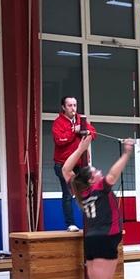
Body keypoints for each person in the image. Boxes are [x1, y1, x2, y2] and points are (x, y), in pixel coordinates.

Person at [63, 133, 134, 279]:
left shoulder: (80, 191)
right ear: (93, 179)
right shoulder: (100, 187)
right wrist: (127, 153)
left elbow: (66, 170)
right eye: (96, 172)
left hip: (91, 239)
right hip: (107, 238)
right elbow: (113, 175)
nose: (99, 172)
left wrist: (81, 148)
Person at [52, 96, 96, 232]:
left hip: (80, 165)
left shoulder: (81, 120)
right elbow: (60, 140)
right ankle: (70, 224)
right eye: (70, 105)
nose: (73, 108)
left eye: (75, 105)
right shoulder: (58, 122)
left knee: (87, 193)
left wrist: (87, 131)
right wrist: (73, 131)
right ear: (63, 107)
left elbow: (93, 133)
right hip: (63, 165)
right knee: (68, 193)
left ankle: (91, 223)